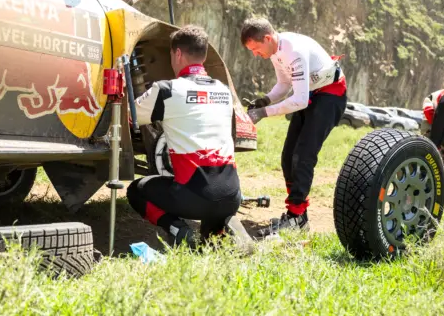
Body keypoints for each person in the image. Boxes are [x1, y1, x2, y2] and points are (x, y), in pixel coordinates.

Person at [126, 25, 241, 248]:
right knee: (210, 230)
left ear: (177, 54)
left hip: (195, 197)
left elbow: (131, 118)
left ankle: (178, 230)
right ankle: (218, 229)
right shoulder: (223, 91)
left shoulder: (167, 90)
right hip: (231, 196)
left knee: (136, 191)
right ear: (204, 55)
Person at [241, 17, 347, 236]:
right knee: (288, 157)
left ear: (267, 38)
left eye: (255, 48)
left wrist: (263, 113)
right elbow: (283, 84)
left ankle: (296, 217)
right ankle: (298, 216)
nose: (255, 54)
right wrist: (265, 100)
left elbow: (298, 101)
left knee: (302, 156)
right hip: (311, 93)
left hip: (330, 95)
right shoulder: (274, 50)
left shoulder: (293, 50)